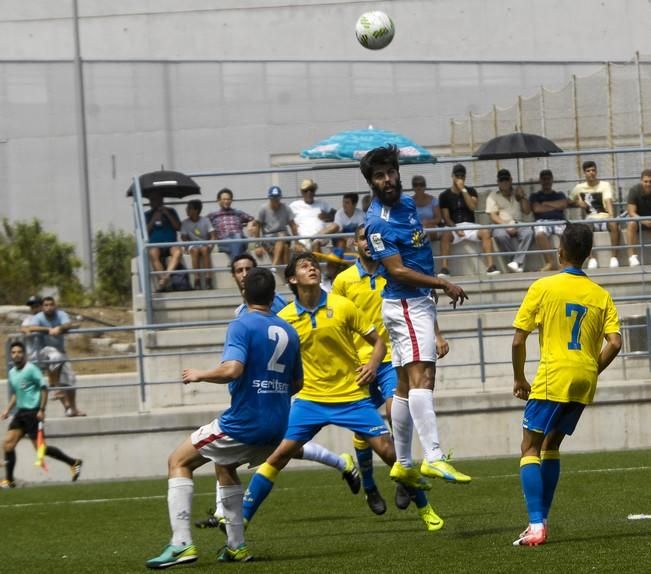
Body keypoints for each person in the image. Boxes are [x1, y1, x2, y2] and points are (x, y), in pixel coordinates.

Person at [241, 253, 444, 537]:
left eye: (313, 264)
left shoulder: (342, 305)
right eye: (303, 265)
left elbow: (377, 344)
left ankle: (425, 509)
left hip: (350, 395)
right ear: (291, 279)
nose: (311, 267)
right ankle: (241, 520)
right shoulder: (284, 318)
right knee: (277, 456)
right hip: (310, 399)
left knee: (388, 452)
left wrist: (372, 365)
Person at [145, 268, 302, 566]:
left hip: (246, 422)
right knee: (225, 465)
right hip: (278, 426)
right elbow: (297, 384)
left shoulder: (242, 325)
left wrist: (200, 375)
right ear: (274, 296)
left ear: (244, 293)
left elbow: (232, 369)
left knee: (178, 461)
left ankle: (181, 545)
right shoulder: (290, 331)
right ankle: (236, 547)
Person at [194, 253, 361, 530]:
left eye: (248, 268)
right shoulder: (242, 312)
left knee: (251, 448)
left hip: (277, 387)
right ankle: (340, 462)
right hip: (259, 391)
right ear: (234, 276)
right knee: (276, 447)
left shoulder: (274, 308)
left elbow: (289, 334)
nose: (244, 273)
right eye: (239, 270)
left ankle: (227, 518)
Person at [362, 145, 471, 489]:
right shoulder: (377, 223)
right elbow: (398, 271)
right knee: (424, 378)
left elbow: (416, 258)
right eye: (379, 176)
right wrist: (441, 282)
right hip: (407, 303)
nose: (388, 179)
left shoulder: (407, 205)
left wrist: (432, 289)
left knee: (405, 386)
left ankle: (404, 463)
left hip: (416, 302)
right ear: (371, 182)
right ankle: (434, 458)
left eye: (391, 172)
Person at [511, 223, 621, 546]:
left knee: (529, 447)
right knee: (552, 446)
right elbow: (614, 342)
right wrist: (592, 368)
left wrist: (519, 378)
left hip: (553, 376)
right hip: (585, 378)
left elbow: (519, 340)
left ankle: (536, 526)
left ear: (559, 252)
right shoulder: (601, 295)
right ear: (589, 255)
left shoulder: (543, 287)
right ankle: (541, 519)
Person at [332, 224, 450, 515]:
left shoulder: (394, 271)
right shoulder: (343, 281)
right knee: (364, 431)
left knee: (399, 413)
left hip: (389, 360)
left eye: (371, 239)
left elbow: (419, 302)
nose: (368, 244)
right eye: (362, 239)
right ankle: (370, 487)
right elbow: (337, 323)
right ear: (354, 244)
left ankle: (403, 467)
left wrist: (436, 335)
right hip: (358, 364)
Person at [1, 341, 82, 489]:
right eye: (13, 353)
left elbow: (44, 388)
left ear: (24, 354)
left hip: (33, 413)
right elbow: (17, 394)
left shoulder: (31, 369)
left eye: (19, 352)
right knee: (7, 444)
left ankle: (73, 462)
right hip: (20, 413)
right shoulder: (12, 373)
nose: (16, 355)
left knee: (41, 450)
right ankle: (9, 480)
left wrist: (42, 409)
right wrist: (7, 409)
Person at [23, 296, 84, 417]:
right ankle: (54, 388)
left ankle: (71, 408)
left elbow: (69, 324)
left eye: (36, 305)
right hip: (39, 354)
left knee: (70, 380)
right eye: (31, 306)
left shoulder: (59, 314)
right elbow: (26, 328)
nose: (33, 308)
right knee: (31, 385)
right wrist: (49, 330)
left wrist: (60, 328)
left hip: (58, 351)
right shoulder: (34, 318)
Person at [438, 163, 500, 277]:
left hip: (470, 225)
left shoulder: (471, 191)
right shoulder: (444, 195)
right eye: (457, 176)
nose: (459, 178)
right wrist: (455, 229)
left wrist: (463, 190)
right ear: (452, 176)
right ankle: (444, 268)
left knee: (486, 232)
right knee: (445, 235)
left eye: (462, 176)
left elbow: (472, 206)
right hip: (454, 225)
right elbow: (446, 217)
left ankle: (491, 266)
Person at [569, 161, 620, 269]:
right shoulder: (579, 188)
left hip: (604, 217)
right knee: (585, 228)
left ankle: (614, 258)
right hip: (590, 219)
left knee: (614, 225)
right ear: (584, 173)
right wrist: (577, 203)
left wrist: (611, 215)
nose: (591, 173)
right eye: (588, 171)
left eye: (593, 170)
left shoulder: (604, 185)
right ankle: (592, 259)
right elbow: (568, 201)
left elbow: (608, 200)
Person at [486, 168, 533, 273]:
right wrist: (506, 225)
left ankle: (516, 262)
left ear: (511, 180)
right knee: (500, 235)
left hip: (518, 222)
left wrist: (523, 197)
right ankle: (515, 261)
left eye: (506, 180)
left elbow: (527, 211)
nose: (504, 183)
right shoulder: (493, 196)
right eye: (502, 180)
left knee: (529, 232)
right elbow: (493, 216)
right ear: (498, 182)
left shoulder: (518, 192)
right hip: (501, 224)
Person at [529, 169, 569, 272]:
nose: (546, 181)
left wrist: (545, 204)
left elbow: (563, 204)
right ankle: (549, 262)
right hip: (542, 221)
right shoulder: (535, 196)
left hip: (559, 220)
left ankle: (563, 263)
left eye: (548, 178)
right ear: (540, 181)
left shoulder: (560, 194)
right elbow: (537, 209)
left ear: (552, 180)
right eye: (544, 179)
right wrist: (555, 206)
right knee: (539, 234)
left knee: (567, 235)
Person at [144, 191, 183, 291]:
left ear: (162, 201)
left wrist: (167, 214)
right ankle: (164, 280)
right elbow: (145, 231)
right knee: (153, 253)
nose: (156, 202)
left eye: (158, 200)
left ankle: (165, 278)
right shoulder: (147, 214)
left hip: (171, 244)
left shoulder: (171, 211)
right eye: (153, 200)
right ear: (150, 202)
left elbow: (178, 227)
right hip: (155, 245)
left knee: (178, 252)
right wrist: (153, 219)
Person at [253, 186, 299, 267]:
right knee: (285, 248)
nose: (275, 200)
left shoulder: (286, 208)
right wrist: (257, 245)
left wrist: (297, 242)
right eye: (273, 198)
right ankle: (286, 273)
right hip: (269, 238)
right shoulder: (263, 208)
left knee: (282, 236)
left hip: (283, 236)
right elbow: (257, 226)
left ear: (280, 198)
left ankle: (274, 266)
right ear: (269, 198)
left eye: (277, 198)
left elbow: (293, 225)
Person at [207, 188, 255, 262]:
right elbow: (201, 223)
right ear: (218, 200)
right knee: (236, 241)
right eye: (224, 199)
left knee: (237, 237)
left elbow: (253, 219)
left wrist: (250, 223)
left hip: (239, 238)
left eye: (228, 199)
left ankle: (234, 264)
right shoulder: (213, 215)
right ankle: (237, 262)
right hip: (224, 242)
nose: (226, 201)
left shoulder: (238, 212)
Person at [288, 178, 335, 253]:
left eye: (311, 190)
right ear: (302, 192)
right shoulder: (294, 205)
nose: (309, 193)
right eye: (306, 191)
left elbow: (336, 216)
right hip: (303, 240)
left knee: (316, 242)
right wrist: (296, 240)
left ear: (314, 191)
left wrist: (327, 216)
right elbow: (283, 218)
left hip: (320, 238)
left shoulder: (322, 203)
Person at [180, 199, 216, 289]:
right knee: (195, 251)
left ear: (196, 210)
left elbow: (213, 235)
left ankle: (208, 279)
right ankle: (197, 279)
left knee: (205, 249)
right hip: (192, 245)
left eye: (189, 208)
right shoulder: (185, 223)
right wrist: (187, 246)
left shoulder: (205, 220)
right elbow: (184, 238)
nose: (186, 210)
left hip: (204, 244)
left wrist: (211, 246)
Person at [625, 168, 651, 267]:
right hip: (639, 220)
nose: (648, 184)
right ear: (641, 181)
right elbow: (631, 212)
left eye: (650, 182)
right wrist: (643, 221)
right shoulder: (634, 190)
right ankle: (632, 257)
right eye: (646, 181)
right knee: (631, 224)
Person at [411, 175, 442, 241]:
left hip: (431, 228)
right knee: (420, 231)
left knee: (425, 230)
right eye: (416, 185)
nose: (418, 187)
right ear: (413, 187)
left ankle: (420, 246)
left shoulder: (433, 200)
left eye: (421, 185)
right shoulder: (409, 202)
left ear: (425, 186)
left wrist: (428, 222)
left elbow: (438, 219)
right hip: (415, 228)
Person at [21, 295, 44, 363]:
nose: (34, 309)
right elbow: (23, 328)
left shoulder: (47, 318)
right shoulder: (28, 319)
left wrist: (32, 329)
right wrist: (28, 330)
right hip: (31, 356)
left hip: (46, 354)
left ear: (41, 306)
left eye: (36, 306)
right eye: (32, 307)